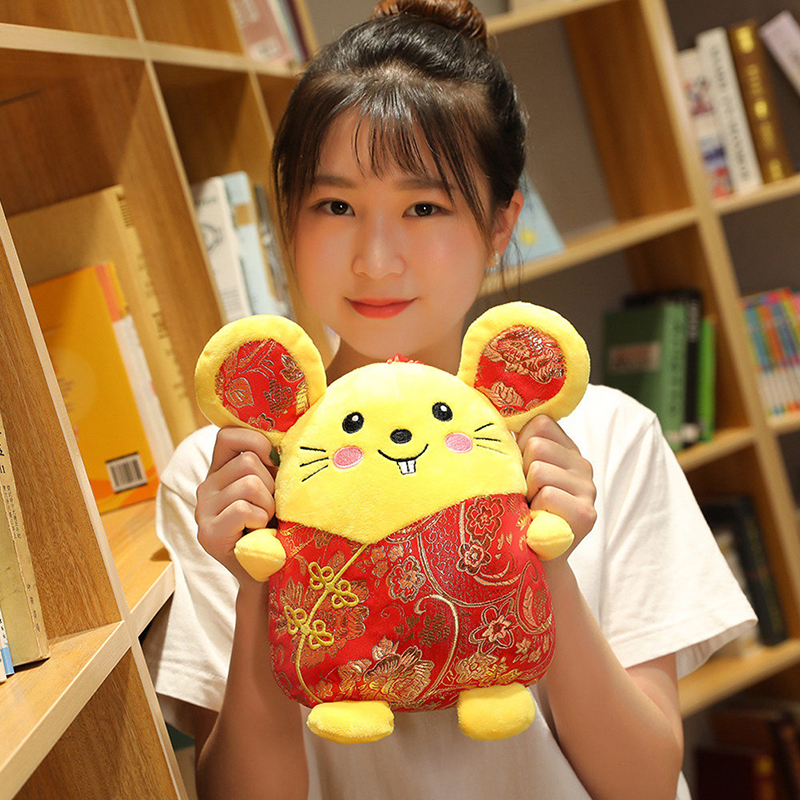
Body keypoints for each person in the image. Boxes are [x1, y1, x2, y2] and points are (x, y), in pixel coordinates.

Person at [142, 2, 755, 798]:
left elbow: (641, 781)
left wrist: (542, 561)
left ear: (501, 224)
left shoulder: (606, 436)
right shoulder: (229, 471)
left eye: (423, 207)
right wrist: (262, 578)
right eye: (336, 206)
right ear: (287, 217)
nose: (376, 259)